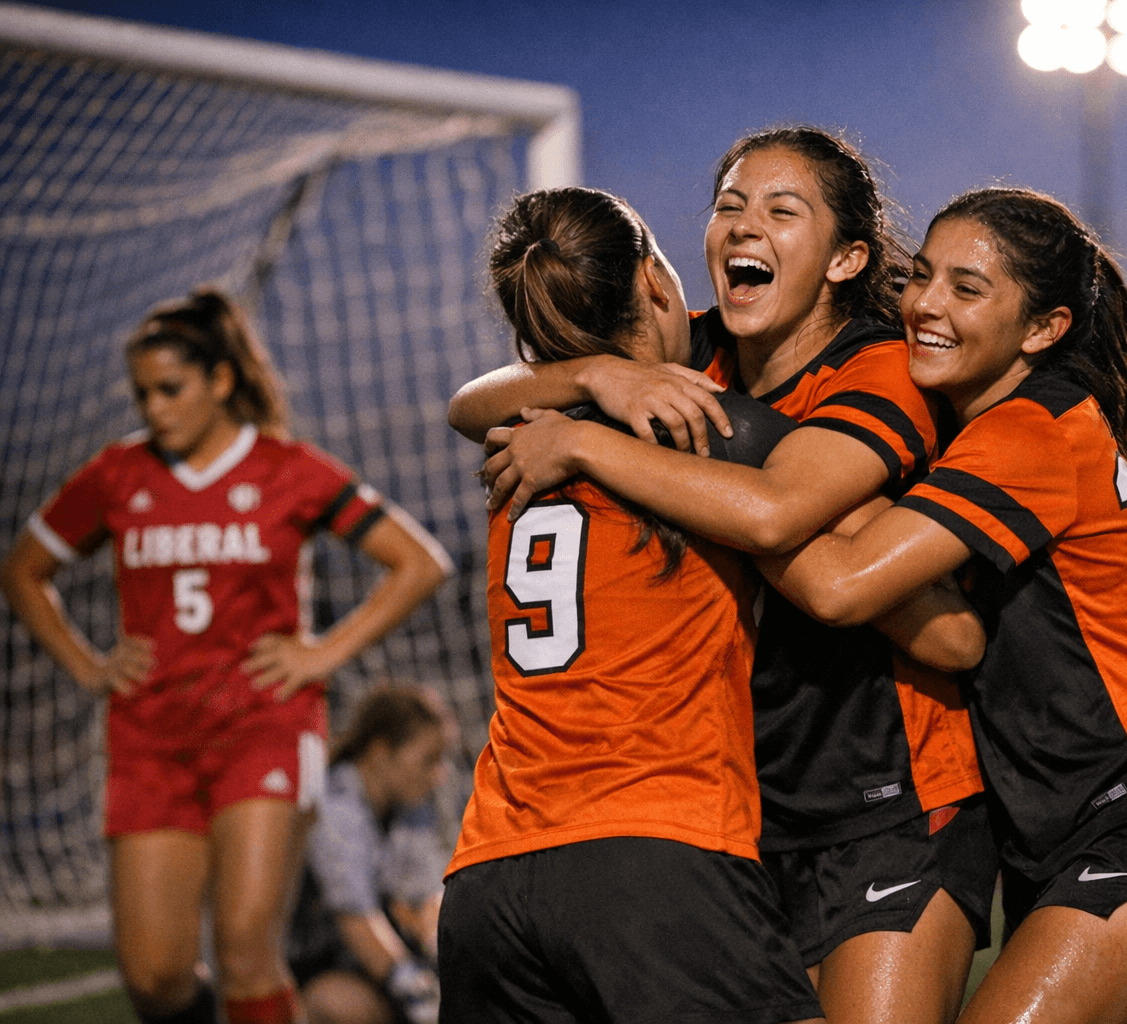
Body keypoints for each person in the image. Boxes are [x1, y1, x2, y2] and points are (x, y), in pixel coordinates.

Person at [502, 186, 1127, 1024]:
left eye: (967, 288)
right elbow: (480, 399)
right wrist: (595, 376)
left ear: (1043, 329)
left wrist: (609, 447)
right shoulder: (985, 417)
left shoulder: (1029, 428)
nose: (924, 304)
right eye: (922, 275)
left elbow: (842, 584)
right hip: (1076, 823)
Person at [461, 128, 996, 1024]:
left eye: (783, 211)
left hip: (889, 795)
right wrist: (601, 375)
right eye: (728, 206)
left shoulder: (879, 367)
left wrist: (585, 438)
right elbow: (469, 403)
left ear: (846, 259)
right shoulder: (683, 357)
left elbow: (779, 516)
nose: (745, 226)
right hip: (746, 811)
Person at [0, 289, 450, 1024]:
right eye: (143, 393)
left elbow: (419, 562)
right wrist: (87, 665)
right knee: (155, 977)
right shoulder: (117, 475)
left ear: (220, 380)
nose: (155, 408)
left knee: (245, 948)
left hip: (263, 727)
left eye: (171, 388)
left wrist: (321, 654)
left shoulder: (288, 470)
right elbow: (23, 570)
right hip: (150, 738)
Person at [288, 684, 451, 1024]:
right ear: (380, 753)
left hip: (372, 963)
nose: (439, 776)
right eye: (429, 760)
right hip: (314, 968)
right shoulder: (333, 807)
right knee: (338, 1005)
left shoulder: (411, 808)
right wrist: (420, 994)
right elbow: (356, 921)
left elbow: (425, 900)